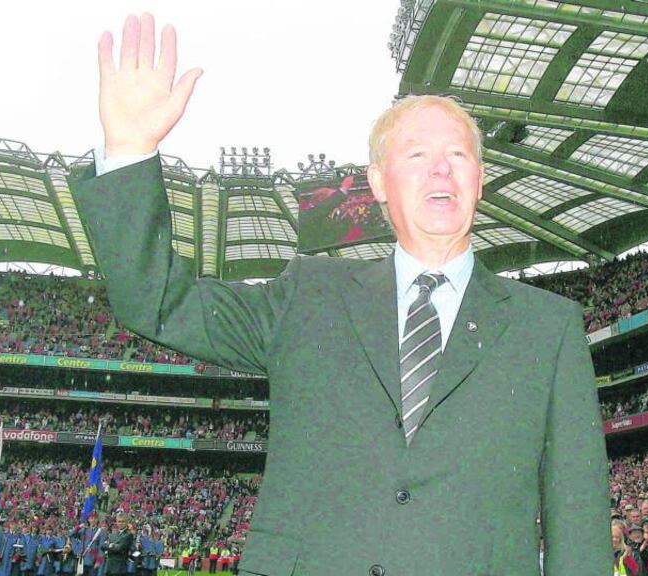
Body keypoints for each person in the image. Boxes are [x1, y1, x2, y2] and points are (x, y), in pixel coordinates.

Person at [73, 12, 611, 576]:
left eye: (458, 155)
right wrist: (129, 150)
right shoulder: (310, 296)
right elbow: (158, 302)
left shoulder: (548, 328)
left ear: (479, 178)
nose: (440, 171)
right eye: (416, 155)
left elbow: (578, 514)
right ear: (378, 182)